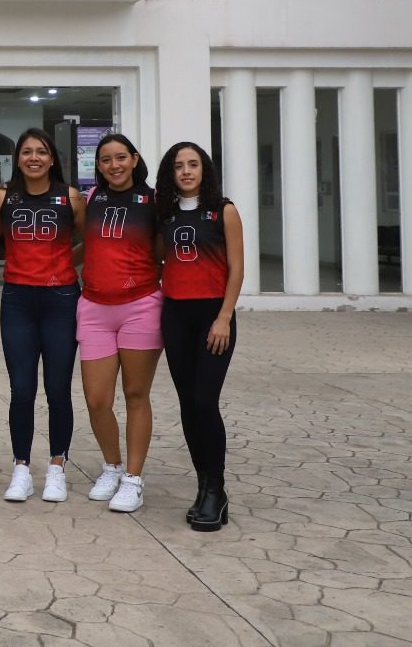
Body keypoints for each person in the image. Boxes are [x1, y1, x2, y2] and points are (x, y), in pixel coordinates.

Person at [0, 128, 86, 504]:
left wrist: (64, 263)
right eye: (27, 151)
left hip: (61, 299)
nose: (34, 157)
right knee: (22, 390)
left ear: (52, 158)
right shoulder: (4, 197)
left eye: (41, 152)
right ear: (17, 158)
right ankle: (21, 469)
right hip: (17, 300)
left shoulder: (71, 197)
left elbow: (88, 240)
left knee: (58, 389)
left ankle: (57, 467)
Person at [156, 142, 244, 532]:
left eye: (193, 165)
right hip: (176, 315)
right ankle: (204, 486)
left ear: (205, 170)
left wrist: (224, 317)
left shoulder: (224, 210)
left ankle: (217, 488)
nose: (186, 171)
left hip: (213, 316)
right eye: (179, 166)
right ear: (170, 173)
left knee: (206, 401)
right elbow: (158, 258)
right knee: (188, 404)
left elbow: (237, 269)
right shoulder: (167, 214)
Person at [79, 132, 163, 514]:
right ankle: (111, 466)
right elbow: (88, 244)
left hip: (140, 305)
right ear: (98, 166)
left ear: (134, 159)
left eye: (120, 158)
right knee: (97, 399)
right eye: (106, 159)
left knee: (135, 394)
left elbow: (166, 251)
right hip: (94, 306)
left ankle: (133, 478)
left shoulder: (154, 201)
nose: (114, 165)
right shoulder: (92, 199)